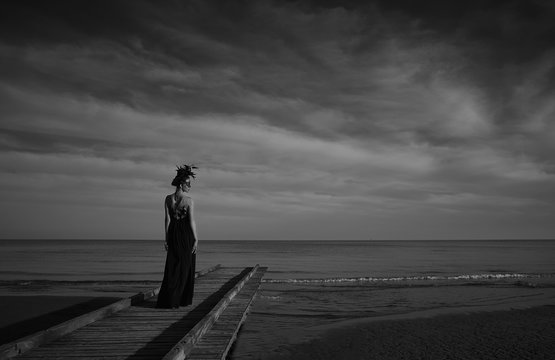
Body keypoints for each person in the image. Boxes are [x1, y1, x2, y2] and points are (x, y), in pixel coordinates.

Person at [156, 164, 199, 309]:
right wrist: (196, 239)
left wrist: (166, 238)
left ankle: (170, 299)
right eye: (188, 183)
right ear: (181, 184)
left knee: (173, 266)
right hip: (186, 235)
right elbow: (191, 221)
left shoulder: (168, 199)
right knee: (185, 267)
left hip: (173, 233)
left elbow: (167, 220)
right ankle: (179, 299)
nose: (190, 186)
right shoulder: (189, 200)